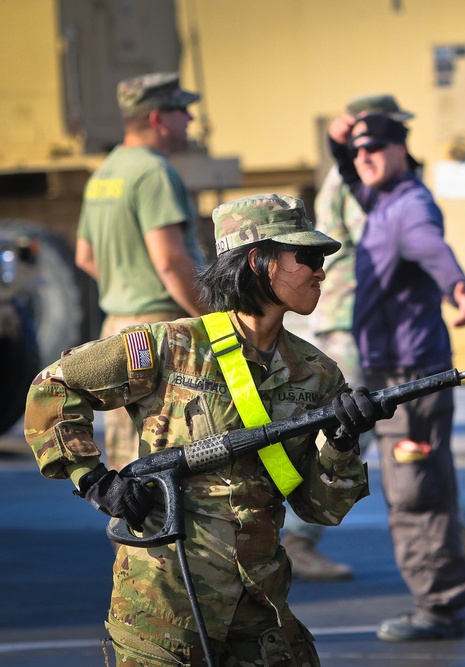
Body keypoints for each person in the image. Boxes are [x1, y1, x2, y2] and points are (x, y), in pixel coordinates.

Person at [25, 193, 389, 665]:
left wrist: (342, 442)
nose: (321, 271)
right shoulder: (170, 346)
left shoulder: (316, 373)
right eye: (308, 257)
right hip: (163, 604)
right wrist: (93, 480)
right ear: (260, 260)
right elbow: (54, 385)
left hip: (259, 609)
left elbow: (319, 509)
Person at [283, 94, 465, 582]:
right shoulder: (370, 181)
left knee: (412, 437)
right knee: (358, 428)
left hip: (371, 320)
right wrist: (453, 281)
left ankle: (455, 533)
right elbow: (408, 232)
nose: (371, 154)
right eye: (367, 141)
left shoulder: (367, 176)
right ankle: (298, 538)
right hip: (355, 321)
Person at [326, 100, 465, 642]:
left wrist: (454, 282)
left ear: (400, 151)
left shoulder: (408, 203)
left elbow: (426, 245)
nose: (362, 157)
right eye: (357, 149)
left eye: (373, 148)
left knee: (418, 495)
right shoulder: (381, 196)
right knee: (413, 490)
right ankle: (439, 603)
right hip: (395, 373)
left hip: (411, 378)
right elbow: (352, 173)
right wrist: (336, 143)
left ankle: (439, 609)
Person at [75, 71, 208, 474]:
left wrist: (128, 288)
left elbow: (86, 256)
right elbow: (169, 260)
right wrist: (215, 319)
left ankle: (130, 539)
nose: (189, 119)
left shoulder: (105, 173)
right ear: (157, 119)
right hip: (160, 330)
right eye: (181, 110)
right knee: (168, 454)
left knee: (127, 462)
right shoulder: (154, 173)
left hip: (117, 329)